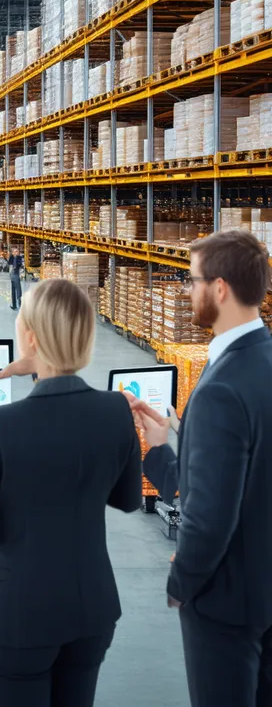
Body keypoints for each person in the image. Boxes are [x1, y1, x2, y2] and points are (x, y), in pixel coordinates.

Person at [0, 278, 141, 707]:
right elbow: (127, 498)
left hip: (16, 618)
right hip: (90, 611)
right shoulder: (116, 411)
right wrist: (39, 369)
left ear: (33, 339)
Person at [129, 228, 272, 707]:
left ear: (221, 288)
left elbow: (210, 519)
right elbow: (245, 484)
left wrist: (182, 585)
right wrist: (163, 450)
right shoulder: (263, 363)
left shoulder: (220, 388)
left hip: (227, 605)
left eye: (192, 281)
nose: (186, 290)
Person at [7, 245, 24, 310]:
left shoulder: (19, 258)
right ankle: (14, 305)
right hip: (12, 275)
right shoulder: (11, 257)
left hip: (17, 274)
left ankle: (20, 304)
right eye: (13, 252)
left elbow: (21, 267)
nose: (15, 253)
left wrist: (21, 275)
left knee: (18, 290)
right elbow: (9, 264)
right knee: (13, 290)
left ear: (18, 252)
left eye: (16, 251)